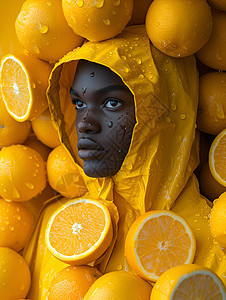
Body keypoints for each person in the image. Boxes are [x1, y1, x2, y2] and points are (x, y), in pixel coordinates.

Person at [23, 25, 226, 299]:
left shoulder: (215, 247)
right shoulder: (56, 230)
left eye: (111, 104)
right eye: (78, 103)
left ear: (162, 115)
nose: (85, 124)